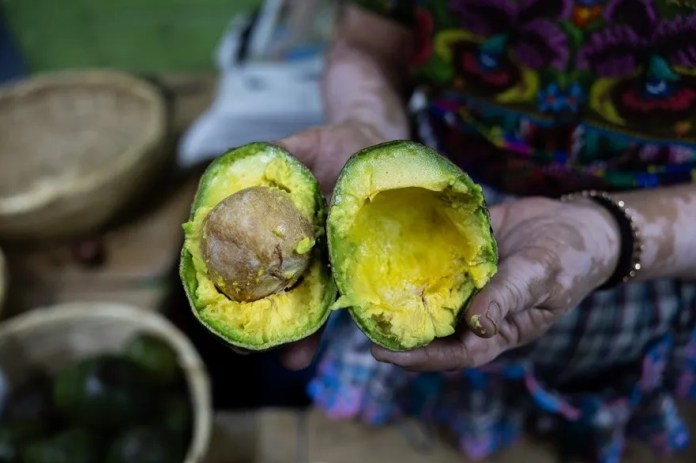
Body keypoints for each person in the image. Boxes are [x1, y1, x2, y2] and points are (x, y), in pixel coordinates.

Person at [271, 1, 696, 461]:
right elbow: (368, 42)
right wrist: (367, 125)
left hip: (642, 266)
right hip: (418, 190)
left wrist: (611, 235)